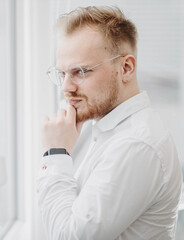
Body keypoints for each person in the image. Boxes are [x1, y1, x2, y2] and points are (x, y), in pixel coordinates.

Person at [39, 6, 182, 240]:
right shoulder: (105, 129)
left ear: (125, 68)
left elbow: (68, 236)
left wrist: (55, 154)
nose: (65, 87)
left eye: (80, 72)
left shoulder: (135, 144)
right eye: (62, 73)